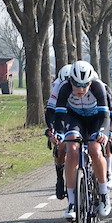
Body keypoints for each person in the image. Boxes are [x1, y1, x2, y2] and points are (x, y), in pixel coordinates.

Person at [53, 60, 111, 220]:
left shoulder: (98, 87)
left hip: (95, 120)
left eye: (85, 85)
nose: (80, 89)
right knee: (71, 149)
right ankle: (71, 202)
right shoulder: (64, 88)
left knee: (95, 149)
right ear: (70, 81)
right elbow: (59, 115)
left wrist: (103, 133)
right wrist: (58, 132)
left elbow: (105, 116)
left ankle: (104, 193)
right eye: (76, 85)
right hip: (75, 118)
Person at [45, 64, 72, 200]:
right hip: (62, 119)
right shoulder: (58, 87)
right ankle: (60, 178)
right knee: (60, 147)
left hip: (79, 120)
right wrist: (51, 128)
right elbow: (50, 111)